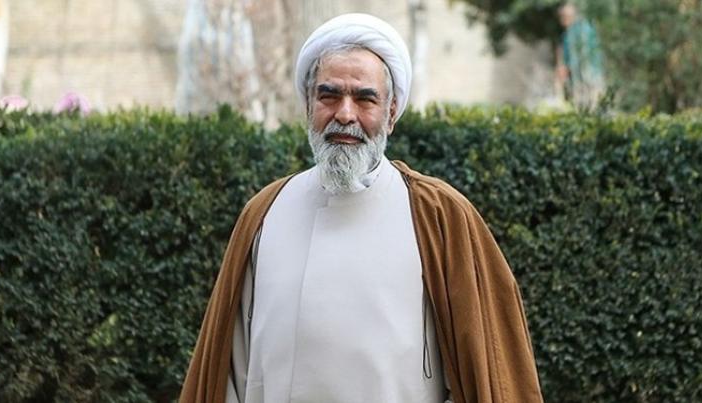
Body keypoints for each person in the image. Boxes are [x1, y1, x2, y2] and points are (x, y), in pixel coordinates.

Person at [179, 13, 542, 403]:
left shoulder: (439, 215)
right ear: (308, 105)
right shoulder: (264, 213)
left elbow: (487, 368)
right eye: (329, 96)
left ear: (391, 112)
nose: (345, 114)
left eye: (365, 98)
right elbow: (230, 370)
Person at [555, 2, 605, 109]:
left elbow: (582, 54)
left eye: (564, 16)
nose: (562, 20)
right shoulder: (567, 34)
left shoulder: (582, 30)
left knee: (592, 103)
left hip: (589, 75)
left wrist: (566, 68)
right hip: (579, 77)